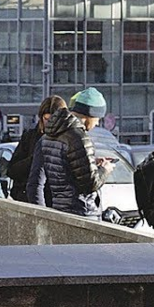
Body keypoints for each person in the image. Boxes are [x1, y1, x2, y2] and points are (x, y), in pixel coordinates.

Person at [25, 87, 116, 220]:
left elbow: (62, 168)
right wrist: (105, 169)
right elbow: (91, 184)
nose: (97, 123)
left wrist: (90, 162)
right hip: (83, 212)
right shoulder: (79, 138)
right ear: (89, 115)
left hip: (60, 209)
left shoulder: (48, 136)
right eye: (97, 118)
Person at [6, 95, 66, 203]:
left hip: (57, 202)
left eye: (54, 119)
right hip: (30, 199)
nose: (50, 123)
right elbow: (12, 170)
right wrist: (36, 159)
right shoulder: (30, 137)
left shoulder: (67, 140)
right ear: (41, 118)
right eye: (47, 119)